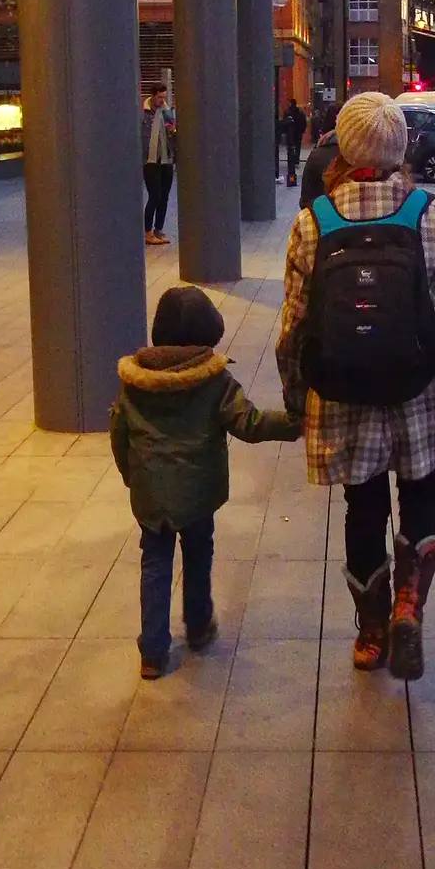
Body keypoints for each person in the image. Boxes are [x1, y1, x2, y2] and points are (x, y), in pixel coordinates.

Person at [277, 91, 435, 681]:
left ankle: (372, 632)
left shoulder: (313, 223)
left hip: (345, 393)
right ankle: (410, 604)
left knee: (363, 506)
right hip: (422, 389)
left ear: (344, 145)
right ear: (400, 145)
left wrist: (296, 396)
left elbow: (292, 329)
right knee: (424, 493)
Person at [110, 286, 301, 678]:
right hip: (197, 493)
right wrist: (294, 424)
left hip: (150, 493)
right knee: (198, 553)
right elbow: (247, 423)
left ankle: (153, 650)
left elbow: (119, 434)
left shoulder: (135, 381)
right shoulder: (214, 381)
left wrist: (134, 478)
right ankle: (197, 626)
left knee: (155, 562)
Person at [141, 86, 175, 245]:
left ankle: (158, 229)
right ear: (153, 96)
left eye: (164, 97)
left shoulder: (166, 112)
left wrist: (168, 114)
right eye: (160, 97)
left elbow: (173, 127)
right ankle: (147, 231)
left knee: (165, 196)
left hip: (166, 159)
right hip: (150, 161)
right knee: (155, 195)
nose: (163, 100)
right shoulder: (144, 113)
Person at [283, 97, 307, 186]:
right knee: (297, 147)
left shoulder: (288, 112)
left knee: (290, 147)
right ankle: (296, 161)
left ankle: (292, 162)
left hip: (291, 134)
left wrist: (285, 132)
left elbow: (285, 123)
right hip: (298, 133)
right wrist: (301, 131)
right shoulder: (300, 112)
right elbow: (304, 123)